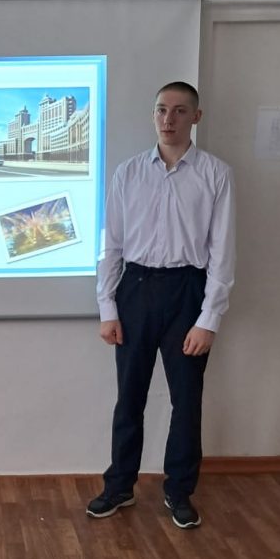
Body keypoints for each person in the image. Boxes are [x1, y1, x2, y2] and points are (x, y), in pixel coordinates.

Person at [89, 82, 235, 529]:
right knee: (129, 398)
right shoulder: (128, 173)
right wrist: (108, 309)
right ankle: (119, 486)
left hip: (188, 292)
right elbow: (111, 245)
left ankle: (179, 491)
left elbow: (222, 252)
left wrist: (209, 319)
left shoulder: (215, 174)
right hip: (135, 289)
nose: (168, 119)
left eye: (179, 110)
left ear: (196, 117)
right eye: (161, 110)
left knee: (186, 400)